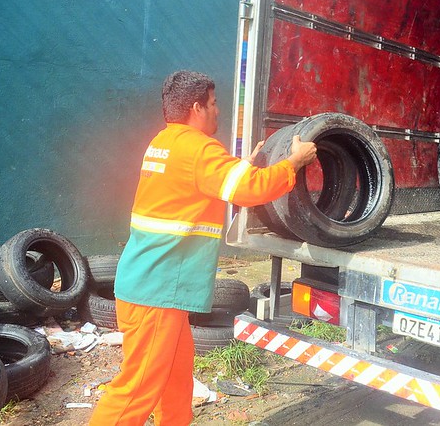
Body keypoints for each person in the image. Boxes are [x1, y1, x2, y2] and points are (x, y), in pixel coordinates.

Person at [89, 70, 317, 425]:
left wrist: (245, 166)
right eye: (213, 103)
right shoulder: (198, 149)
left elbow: (205, 184)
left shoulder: (165, 143)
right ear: (196, 107)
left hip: (152, 287)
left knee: (176, 380)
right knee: (136, 391)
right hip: (157, 293)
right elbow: (249, 190)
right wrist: (293, 163)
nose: (217, 111)